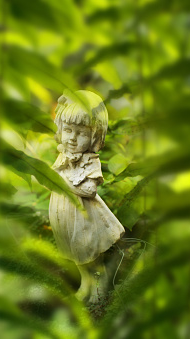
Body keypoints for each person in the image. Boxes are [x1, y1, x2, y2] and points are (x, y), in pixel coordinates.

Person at [49, 89, 125, 304]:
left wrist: (61, 181)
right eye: (68, 130)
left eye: (81, 133)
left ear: (94, 136)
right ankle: (85, 282)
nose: (72, 138)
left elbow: (89, 190)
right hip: (64, 214)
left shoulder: (90, 161)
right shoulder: (64, 156)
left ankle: (100, 282)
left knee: (87, 248)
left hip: (83, 216)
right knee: (73, 251)